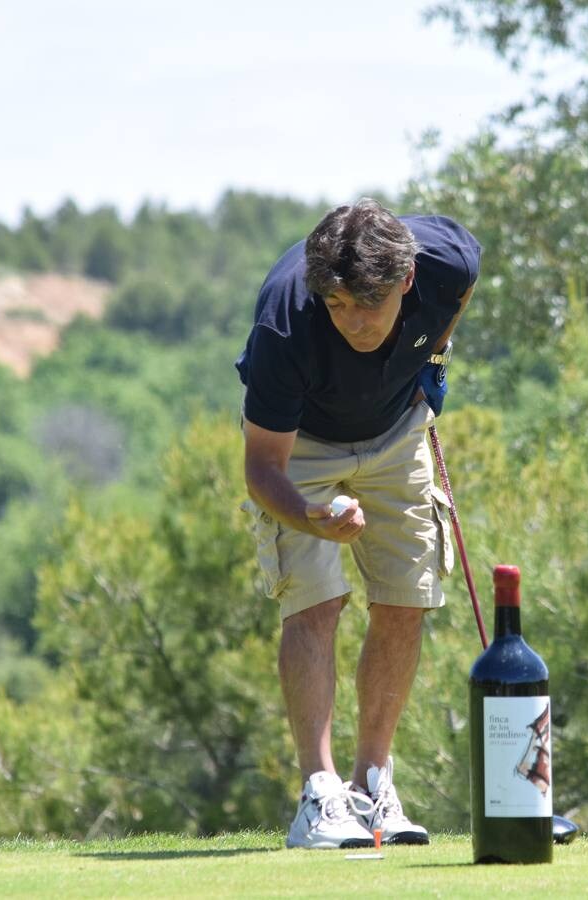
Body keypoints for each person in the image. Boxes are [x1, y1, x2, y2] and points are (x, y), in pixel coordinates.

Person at [235, 198, 479, 849]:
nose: (352, 322)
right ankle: (320, 795)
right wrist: (310, 515)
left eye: (367, 305)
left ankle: (373, 786)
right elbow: (262, 470)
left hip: (398, 432)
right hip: (301, 449)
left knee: (406, 599)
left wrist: (435, 360)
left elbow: (465, 282)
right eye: (338, 306)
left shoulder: (447, 261)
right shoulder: (286, 322)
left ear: (406, 280)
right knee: (316, 603)